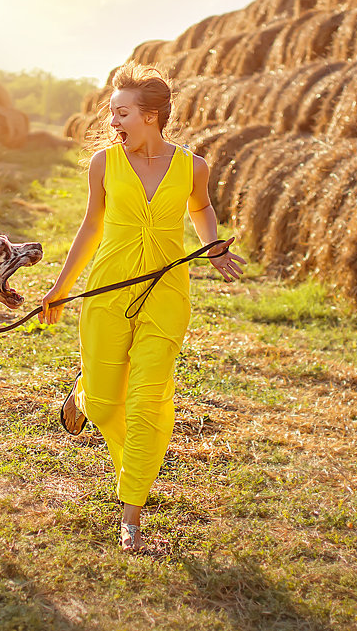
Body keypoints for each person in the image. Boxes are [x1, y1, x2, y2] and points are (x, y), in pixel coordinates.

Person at [40, 61, 245, 553]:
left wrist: (212, 244)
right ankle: (87, 391)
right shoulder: (103, 165)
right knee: (110, 402)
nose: (113, 123)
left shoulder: (193, 166)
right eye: (112, 113)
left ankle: (131, 511)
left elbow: (200, 208)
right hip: (111, 286)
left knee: (149, 397)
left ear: (151, 116)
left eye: (123, 113)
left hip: (167, 290)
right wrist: (61, 287)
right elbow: (91, 227)